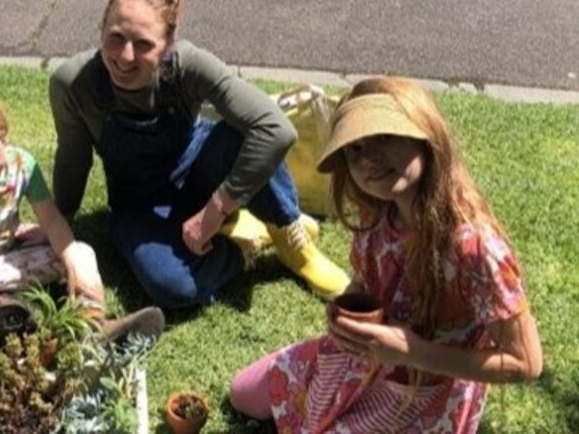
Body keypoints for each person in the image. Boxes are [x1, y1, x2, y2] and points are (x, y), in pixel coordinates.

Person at [229, 77, 543, 433]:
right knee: (242, 393)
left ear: (425, 135)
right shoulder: (379, 211)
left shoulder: (474, 247)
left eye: (384, 137)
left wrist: (408, 350)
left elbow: (526, 363)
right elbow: (369, 278)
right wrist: (348, 304)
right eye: (355, 149)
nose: (369, 160)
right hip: (371, 355)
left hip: (427, 387)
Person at [48, 0, 349, 309]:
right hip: (138, 205)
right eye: (115, 37)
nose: (125, 57)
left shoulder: (188, 65)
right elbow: (73, 158)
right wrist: (61, 222)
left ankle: (292, 240)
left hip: (202, 173)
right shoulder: (73, 82)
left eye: (144, 44)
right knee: (172, 288)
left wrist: (217, 209)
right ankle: (244, 246)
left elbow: (275, 128)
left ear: (167, 46)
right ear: (100, 30)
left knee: (243, 134)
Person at [0, 82, 164, 338]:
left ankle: (94, 323)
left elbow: (53, 221)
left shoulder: (22, 165)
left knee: (80, 252)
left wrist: (70, 261)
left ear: (2, 134)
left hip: (6, 255)